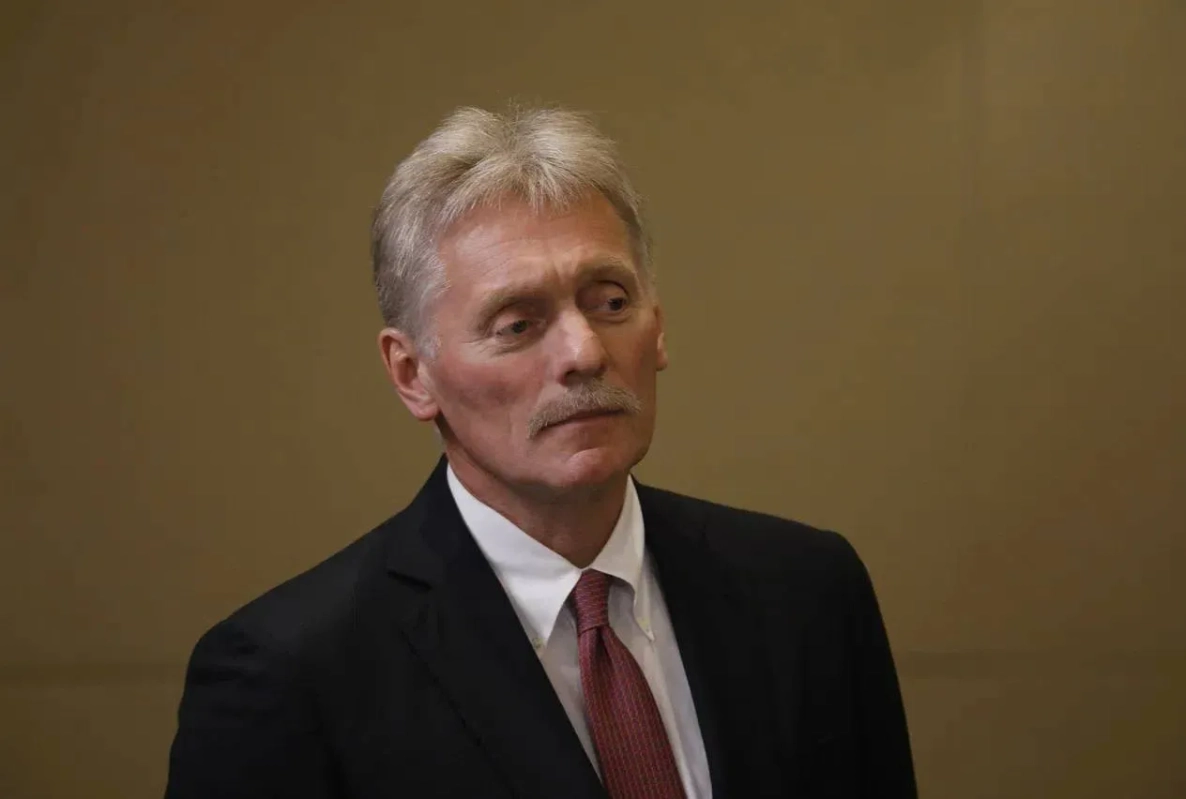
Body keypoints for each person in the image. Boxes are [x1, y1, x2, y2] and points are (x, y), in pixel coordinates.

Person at [165, 106, 917, 799]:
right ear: (412, 374)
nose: (584, 352)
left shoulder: (806, 594)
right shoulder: (289, 674)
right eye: (518, 324)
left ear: (658, 328)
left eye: (610, 302)